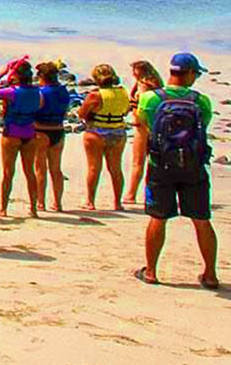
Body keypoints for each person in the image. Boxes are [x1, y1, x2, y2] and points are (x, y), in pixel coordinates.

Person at [135, 53, 218, 289]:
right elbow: (203, 128)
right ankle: (210, 273)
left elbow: (144, 124)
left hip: (161, 165)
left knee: (158, 218)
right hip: (193, 166)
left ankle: (151, 271)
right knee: (201, 219)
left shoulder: (151, 99)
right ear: (190, 73)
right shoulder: (201, 101)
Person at [0, 59, 44, 218]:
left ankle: (3, 208)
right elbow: (39, 105)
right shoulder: (36, 91)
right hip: (29, 132)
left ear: (16, 76)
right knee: (29, 171)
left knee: (8, 172)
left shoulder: (12, 92)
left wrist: (1, 73)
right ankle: (33, 208)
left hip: (12, 132)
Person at [77, 63, 132, 211]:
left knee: (94, 167)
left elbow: (82, 113)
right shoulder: (123, 92)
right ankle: (117, 202)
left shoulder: (95, 95)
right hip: (118, 131)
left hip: (96, 132)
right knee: (115, 168)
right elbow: (126, 110)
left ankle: (90, 201)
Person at [32, 61, 74, 212]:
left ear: (42, 76)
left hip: (41, 130)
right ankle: (58, 203)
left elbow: (36, 110)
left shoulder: (41, 92)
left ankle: (40, 202)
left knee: (40, 168)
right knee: (56, 169)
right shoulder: (63, 91)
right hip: (58, 130)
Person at [124, 59, 164, 205]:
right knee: (154, 162)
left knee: (138, 162)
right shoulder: (157, 84)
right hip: (156, 125)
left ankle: (130, 194)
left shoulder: (143, 85)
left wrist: (137, 119)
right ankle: (153, 193)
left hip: (142, 127)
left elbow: (142, 103)